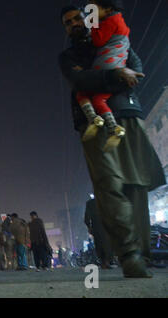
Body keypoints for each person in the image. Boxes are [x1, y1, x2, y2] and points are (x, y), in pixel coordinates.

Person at [59, 4, 166, 278]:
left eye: (76, 19)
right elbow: (79, 78)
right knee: (109, 183)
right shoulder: (69, 56)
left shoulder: (112, 38)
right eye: (67, 22)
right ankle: (129, 254)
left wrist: (106, 80)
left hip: (128, 114)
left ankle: (141, 254)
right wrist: (115, 75)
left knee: (136, 184)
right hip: (92, 124)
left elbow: (136, 69)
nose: (73, 24)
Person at [76, 0, 131, 151]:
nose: (91, 12)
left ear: (107, 9)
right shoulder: (119, 22)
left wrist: (93, 24)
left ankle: (94, 119)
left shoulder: (112, 21)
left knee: (82, 93)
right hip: (116, 71)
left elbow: (98, 40)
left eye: (94, 9)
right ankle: (115, 128)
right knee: (100, 99)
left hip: (107, 68)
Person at [84, 197, 114, 269]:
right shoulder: (107, 201)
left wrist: (89, 227)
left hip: (97, 227)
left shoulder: (90, 203)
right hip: (106, 226)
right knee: (106, 243)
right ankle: (105, 261)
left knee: (100, 243)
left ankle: (104, 261)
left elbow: (86, 218)